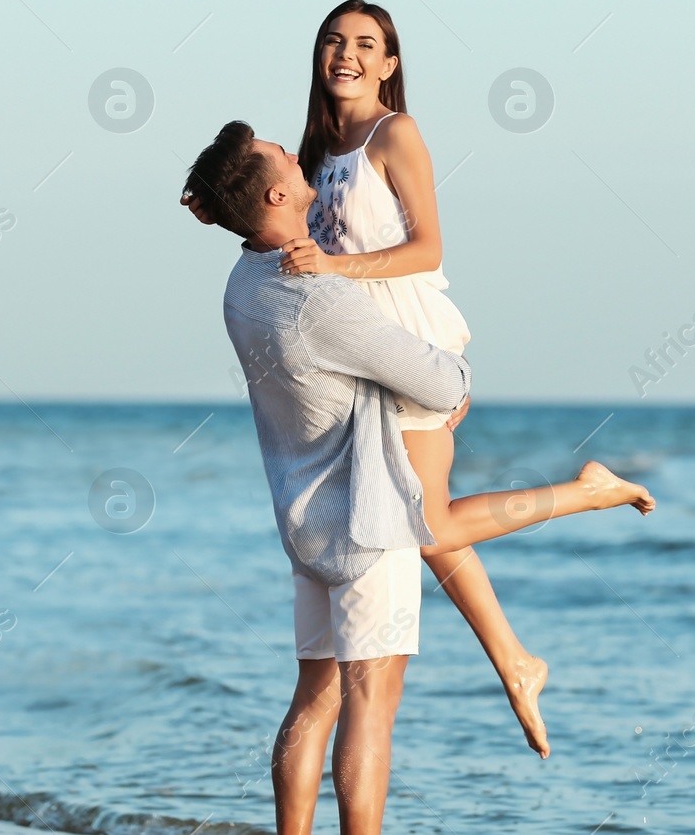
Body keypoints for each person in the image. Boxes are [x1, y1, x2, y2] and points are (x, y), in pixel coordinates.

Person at [183, 121, 654, 835]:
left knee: (313, 698)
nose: (293, 148)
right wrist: (454, 381)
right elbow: (440, 381)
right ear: (279, 191)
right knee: (371, 703)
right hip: (367, 528)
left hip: (304, 525)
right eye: (282, 154)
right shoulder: (319, 300)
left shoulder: (243, 283)